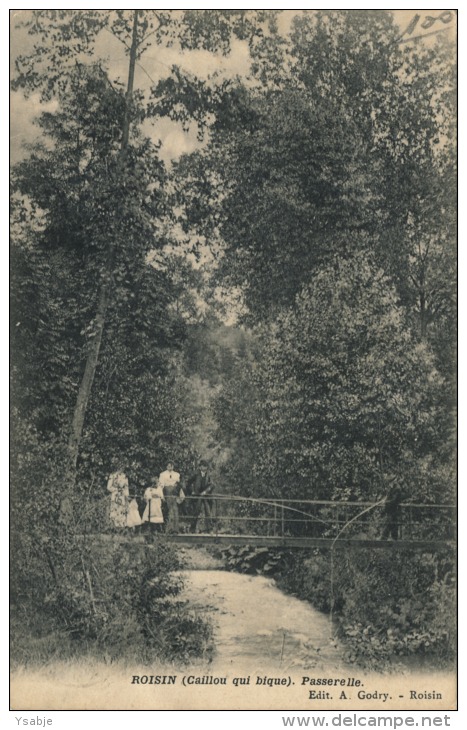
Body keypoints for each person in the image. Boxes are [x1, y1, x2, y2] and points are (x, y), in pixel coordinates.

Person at [186, 460, 214, 533]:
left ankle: (209, 529)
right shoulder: (196, 474)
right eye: (203, 466)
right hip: (197, 495)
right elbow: (188, 482)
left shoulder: (208, 475)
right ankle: (192, 529)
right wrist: (192, 491)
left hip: (205, 496)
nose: (204, 468)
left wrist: (206, 491)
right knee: (196, 511)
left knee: (208, 511)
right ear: (200, 467)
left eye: (206, 466)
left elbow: (212, 485)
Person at [158, 462, 182, 533]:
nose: (170, 467)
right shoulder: (162, 474)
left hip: (174, 494)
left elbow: (178, 485)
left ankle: (175, 529)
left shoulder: (177, 474)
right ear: (166, 466)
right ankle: (169, 529)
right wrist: (163, 496)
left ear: (173, 466)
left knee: (175, 510)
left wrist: (175, 491)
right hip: (166, 493)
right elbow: (161, 486)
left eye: (171, 466)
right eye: (168, 466)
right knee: (169, 510)